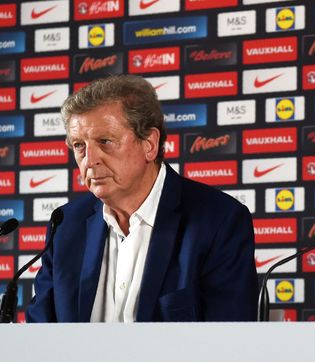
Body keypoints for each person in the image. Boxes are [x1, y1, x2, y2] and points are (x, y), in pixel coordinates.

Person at [26, 75, 257, 322]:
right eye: (79, 145)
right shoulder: (66, 224)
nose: (89, 160)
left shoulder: (218, 220)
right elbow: (40, 333)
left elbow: (227, 340)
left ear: (149, 144)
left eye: (105, 142)